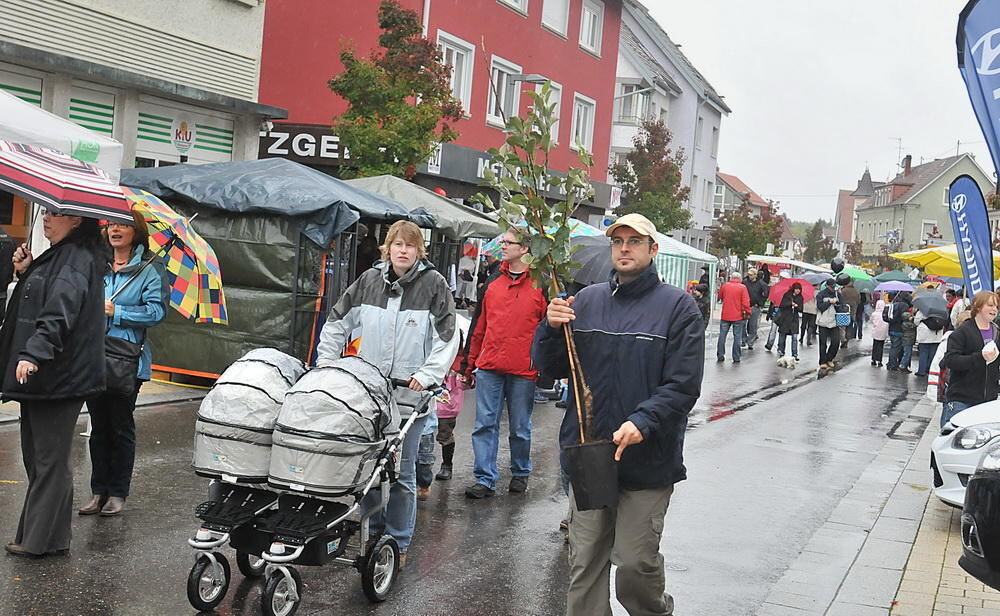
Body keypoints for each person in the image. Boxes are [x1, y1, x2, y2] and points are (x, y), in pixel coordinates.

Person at [534, 213, 704, 616]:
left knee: (633, 562)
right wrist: (550, 329)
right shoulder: (585, 301)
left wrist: (642, 422)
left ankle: (655, 610)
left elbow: (683, 385)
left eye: (634, 241)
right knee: (585, 559)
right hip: (590, 451)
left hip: (647, 459)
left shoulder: (678, 308)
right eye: (618, 241)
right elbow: (550, 369)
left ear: (653, 249)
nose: (624, 248)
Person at [316, 220, 458, 569]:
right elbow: (337, 323)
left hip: (409, 395)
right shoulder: (368, 282)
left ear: (418, 250)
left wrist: (426, 376)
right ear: (388, 248)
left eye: (410, 245)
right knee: (370, 471)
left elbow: (449, 337)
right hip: (370, 394)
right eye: (397, 244)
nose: (403, 250)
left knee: (403, 473)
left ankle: (398, 539)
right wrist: (327, 364)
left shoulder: (434, 285)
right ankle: (372, 533)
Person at [1, 212, 106, 557]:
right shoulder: (63, 254)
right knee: (44, 458)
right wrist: (27, 269)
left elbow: (60, 311)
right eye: (46, 211)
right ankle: (52, 537)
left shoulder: (75, 258)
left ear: (77, 220)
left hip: (57, 373)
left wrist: (34, 353)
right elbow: (45, 295)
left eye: (57, 214)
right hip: (50, 375)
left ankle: (38, 540)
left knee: (47, 459)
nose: (47, 218)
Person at [80, 212, 167, 517]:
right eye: (111, 224)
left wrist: (117, 311)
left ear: (136, 231)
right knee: (98, 427)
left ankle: (118, 492)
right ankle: (97, 490)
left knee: (120, 426)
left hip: (126, 359)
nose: (115, 229)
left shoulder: (149, 270)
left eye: (123, 224)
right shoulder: (97, 264)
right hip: (93, 355)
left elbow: (156, 313)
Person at [462, 228, 547, 499]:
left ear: (525, 249)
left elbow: (549, 330)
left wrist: (547, 368)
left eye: (509, 243)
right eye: (503, 242)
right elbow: (479, 325)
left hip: (524, 368)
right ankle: (485, 478)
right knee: (485, 423)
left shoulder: (540, 284)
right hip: (490, 365)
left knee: (520, 426)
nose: (503, 247)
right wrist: (468, 364)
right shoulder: (492, 282)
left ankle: (520, 472)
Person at [940, 291, 1000, 428]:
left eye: (996, 306)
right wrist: (980, 357)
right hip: (962, 400)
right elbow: (951, 360)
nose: (994, 309)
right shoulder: (962, 332)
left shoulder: (997, 333)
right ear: (977, 306)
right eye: (990, 305)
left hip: (988, 402)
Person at [717, 272, 750, 363]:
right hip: (738, 315)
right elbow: (745, 302)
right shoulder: (742, 288)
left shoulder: (725, 286)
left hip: (725, 314)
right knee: (737, 337)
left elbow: (720, 296)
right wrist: (748, 312)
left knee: (722, 335)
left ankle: (720, 354)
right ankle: (736, 357)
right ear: (740, 279)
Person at [815, 279, 841, 370]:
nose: (834, 289)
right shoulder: (821, 295)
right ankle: (822, 361)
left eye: (835, 287)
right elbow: (820, 307)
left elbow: (841, 306)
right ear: (827, 286)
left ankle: (829, 358)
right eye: (832, 287)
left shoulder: (837, 294)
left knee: (836, 342)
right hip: (823, 322)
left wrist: (837, 303)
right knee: (823, 343)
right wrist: (829, 302)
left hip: (834, 322)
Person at [885, 292, 913, 371]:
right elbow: (904, 317)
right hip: (899, 329)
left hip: (892, 328)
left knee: (893, 347)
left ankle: (891, 363)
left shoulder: (895, 304)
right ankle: (893, 365)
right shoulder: (904, 305)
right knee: (896, 348)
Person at [914, 308, 945, 377]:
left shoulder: (923, 310)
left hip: (925, 335)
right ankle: (930, 369)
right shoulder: (940, 310)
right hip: (937, 335)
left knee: (923, 353)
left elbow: (916, 321)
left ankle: (922, 371)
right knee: (933, 354)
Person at [743, 268, 768, 349]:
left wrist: (760, 302)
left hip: (755, 306)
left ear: (755, 275)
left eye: (751, 275)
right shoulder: (745, 282)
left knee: (753, 325)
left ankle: (750, 341)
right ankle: (743, 340)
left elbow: (766, 294)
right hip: (745, 305)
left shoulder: (761, 284)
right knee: (742, 324)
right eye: (749, 274)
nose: (749, 276)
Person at [776, 283, 803, 360]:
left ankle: (794, 353)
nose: (798, 291)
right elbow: (782, 305)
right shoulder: (787, 295)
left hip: (794, 319)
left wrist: (797, 306)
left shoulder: (800, 298)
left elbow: (801, 309)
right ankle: (781, 350)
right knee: (782, 335)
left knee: (794, 337)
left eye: (799, 289)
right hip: (785, 318)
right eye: (796, 289)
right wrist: (790, 304)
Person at [839, 276, 860, 346]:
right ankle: (847, 341)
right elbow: (858, 301)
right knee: (849, 327)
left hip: (844, 311)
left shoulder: (843, 290)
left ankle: (843, 340)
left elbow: (840, 300)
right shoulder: (856, 291)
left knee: (842, 327)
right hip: (853, 312)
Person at [870, 293, 889, 367]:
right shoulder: (885, 313)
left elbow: (871, 321)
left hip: (876, 331)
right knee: (881, 346)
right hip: (883, 332)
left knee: (875, 345)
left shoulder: (874, 313)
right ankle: (879, 360)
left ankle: (873, 359)